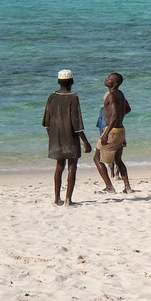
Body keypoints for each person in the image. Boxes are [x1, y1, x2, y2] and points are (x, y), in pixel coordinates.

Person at [42, 69, 92, 206]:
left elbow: (47, 123)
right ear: (72, 82)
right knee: (72, 166)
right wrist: (85, 142)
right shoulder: (73, 98)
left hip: (56, 138)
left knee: (59, 167)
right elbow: (77, 124)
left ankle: (57, 198)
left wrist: (52, 138)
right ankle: (68, 199)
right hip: (71, 138)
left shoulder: (52, 97)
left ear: (58, 82)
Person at [94, 72, 133, 194]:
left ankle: (109, 187)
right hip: (121, 130)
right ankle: (127, 187)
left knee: (97, 159)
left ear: (114, 83)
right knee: (118, 159)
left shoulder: (111, 96)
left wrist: (106, 133)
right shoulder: (120, 94)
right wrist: (119, 117)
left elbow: (115, 115)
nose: (106, 79)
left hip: (112, 131)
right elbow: (127, 109)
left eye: (109, 79)